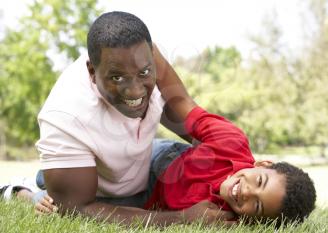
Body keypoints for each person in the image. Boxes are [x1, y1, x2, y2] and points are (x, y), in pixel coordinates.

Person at [1, 11, 233, 226]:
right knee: (62, 205)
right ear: (92, 71)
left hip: (144, 155)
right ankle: (25, 191)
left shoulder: (147, 55)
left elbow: (184, 113)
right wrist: (183, 218)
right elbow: (79, 208)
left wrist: (237, 163)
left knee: (194, 160)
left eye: (144, 73)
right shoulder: (65, 117)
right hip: (102, 183)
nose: (135, 92)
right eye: (117, 78)